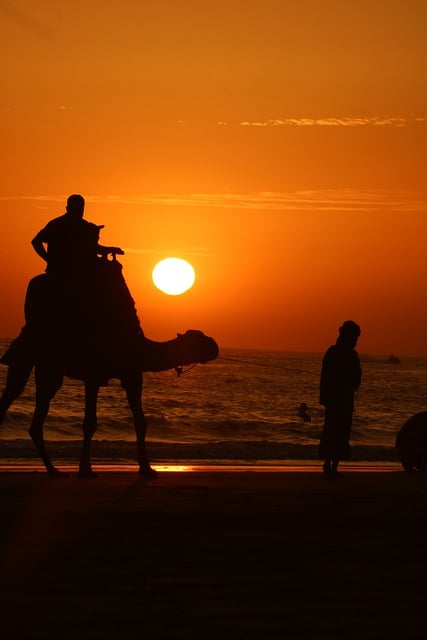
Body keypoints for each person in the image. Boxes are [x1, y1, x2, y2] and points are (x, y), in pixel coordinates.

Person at [31, 194, 124, 278]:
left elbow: (93, 248)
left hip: (68, 270)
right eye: (77, 208)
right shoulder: (57, 225)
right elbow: (36, 241)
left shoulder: (83, 226)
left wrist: (111, 249)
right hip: (70, 273)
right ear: (68, 208)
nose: (80, 211)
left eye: (81, 208)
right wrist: (50, 260)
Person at [319, 320, 362, 474]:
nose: (355, 341)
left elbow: (325, 377)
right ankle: (331, 464)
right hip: (338, 399)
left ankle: (331, 464)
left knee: (337, 430)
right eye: (354, 337)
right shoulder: (348, 354)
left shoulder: (334, 352)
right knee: (337, 430)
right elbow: (356, 379)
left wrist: (324, 398)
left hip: (338, 400)